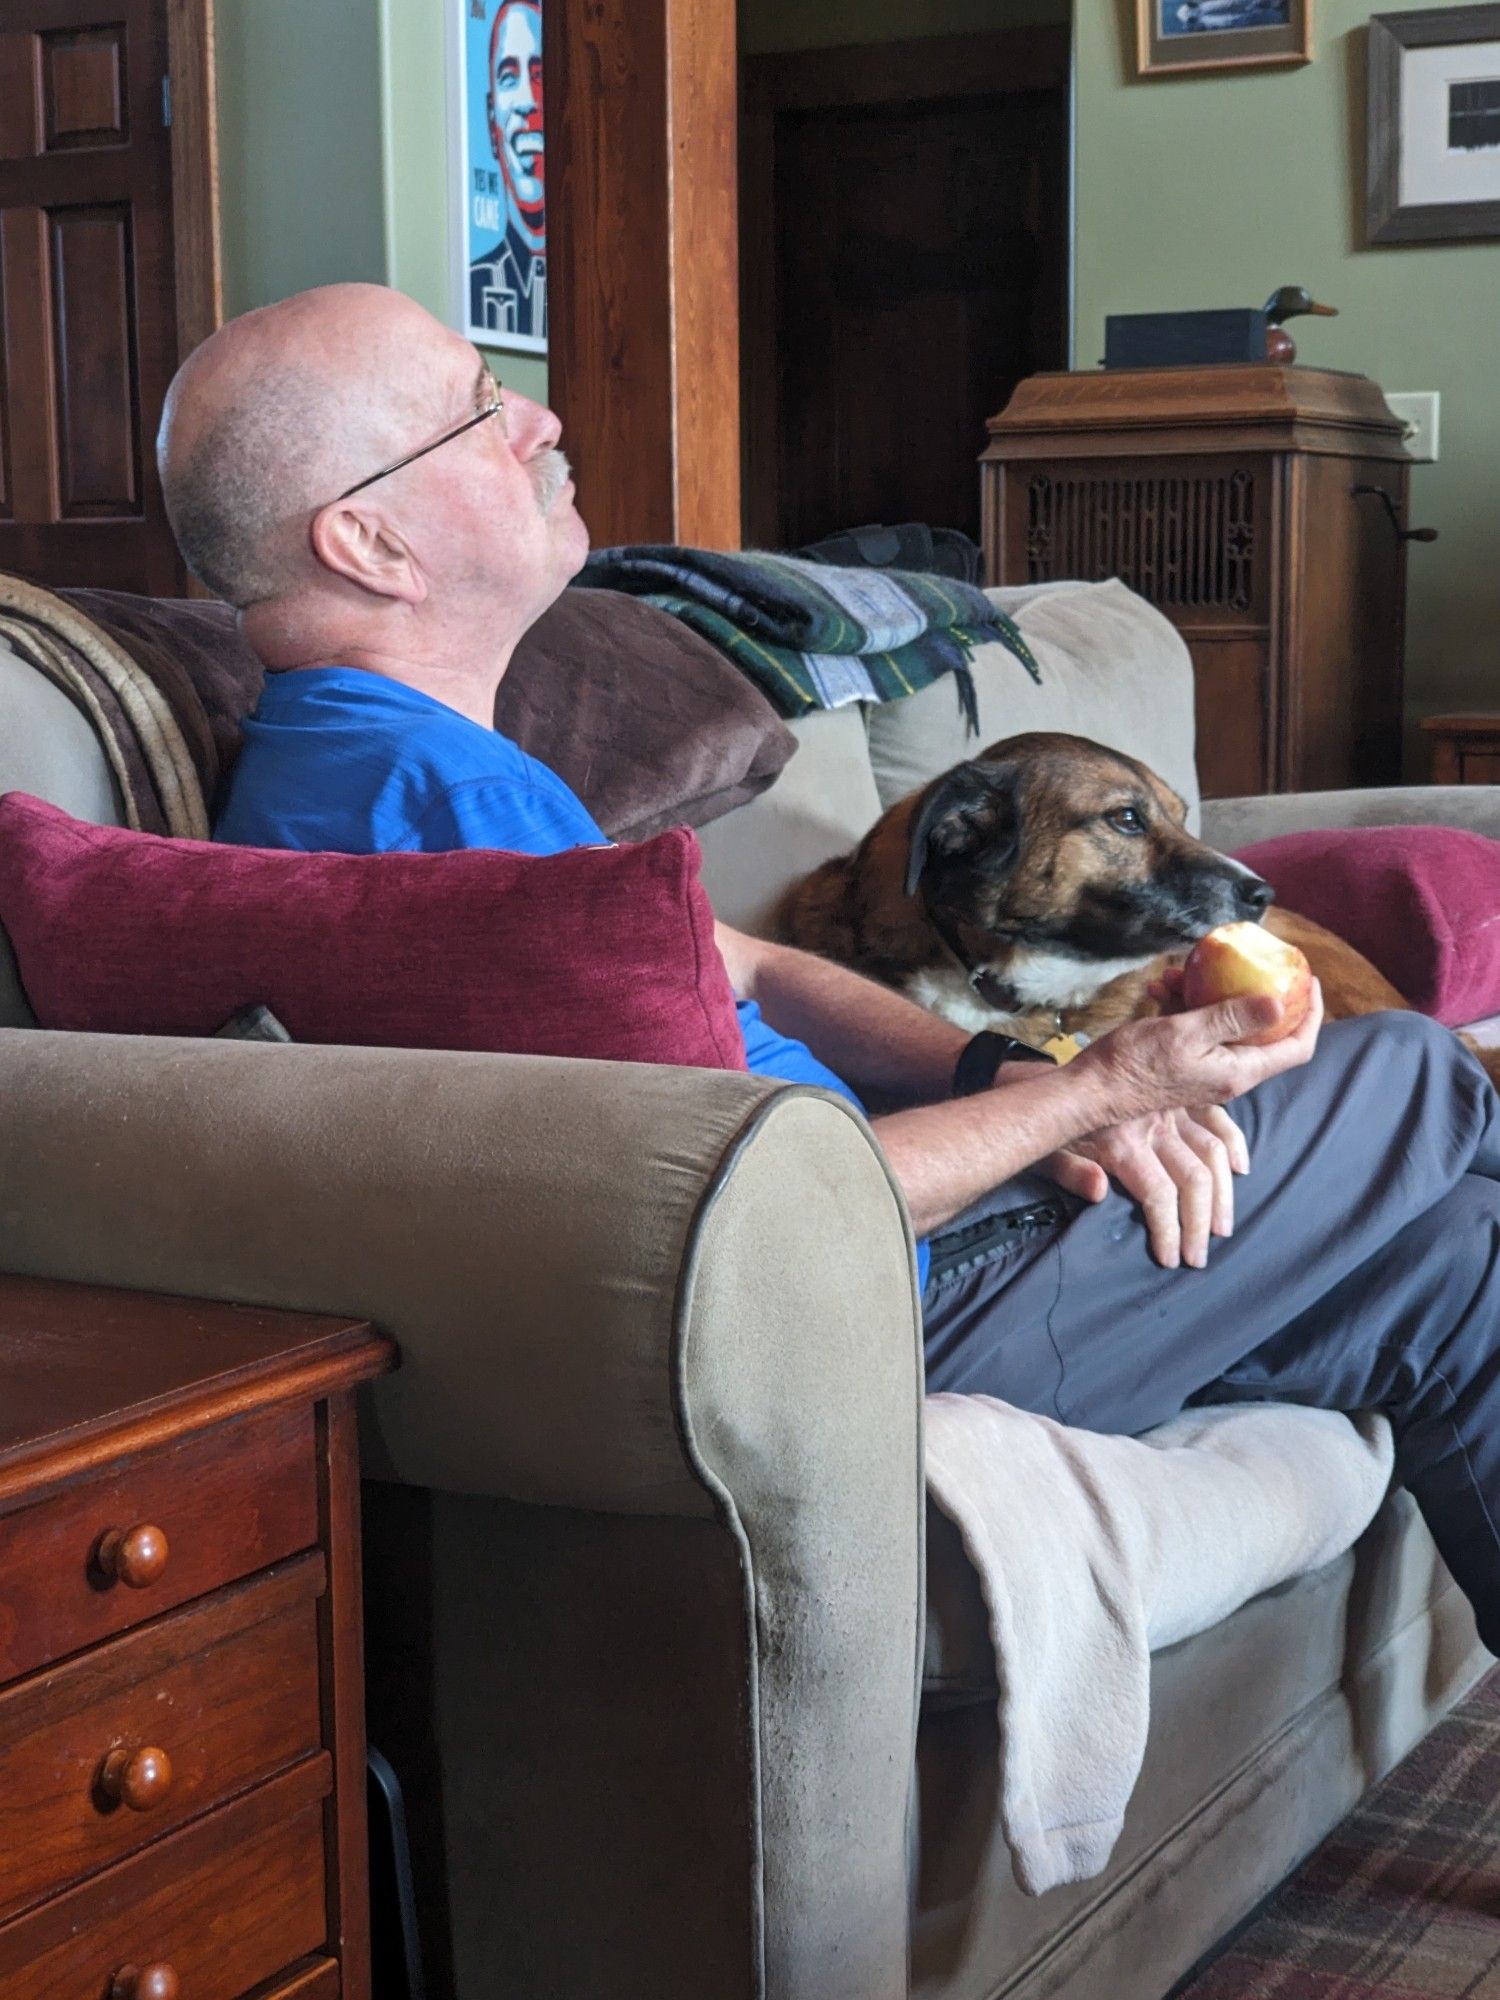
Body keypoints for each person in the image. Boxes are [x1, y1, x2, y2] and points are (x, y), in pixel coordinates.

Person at [158, 284, 1500, 1651]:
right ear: (371, 539)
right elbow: (737, 1234)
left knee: (1455, 1262)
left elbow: (749, 966)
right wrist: (1098, 1092)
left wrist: (1010, 1072)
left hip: (913, 1233)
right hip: (882, 1319)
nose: (540, 415)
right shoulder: (436, 816)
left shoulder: (413, 769)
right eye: (477, 409)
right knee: (1404, 1067)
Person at [468, 0, 546, 345]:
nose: (528, 100)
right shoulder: (477, 281)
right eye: (509, 76)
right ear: (491, 122)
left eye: (539, 74)